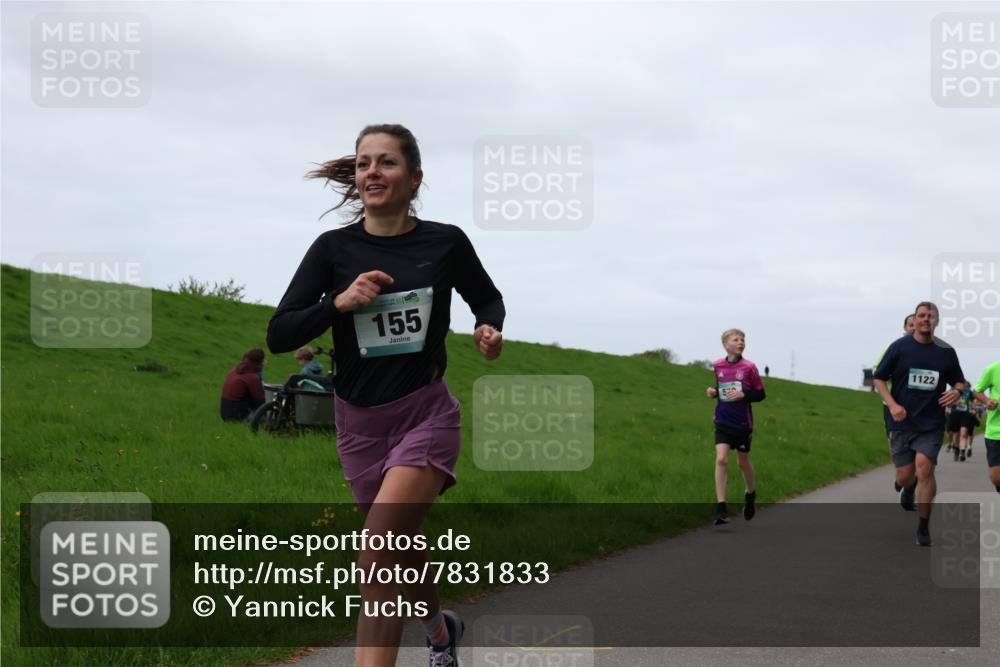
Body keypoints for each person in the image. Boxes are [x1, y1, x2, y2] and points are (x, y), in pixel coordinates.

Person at [267, 124, 504, 667]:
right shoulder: (333, 249)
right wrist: (339, 303)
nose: (372, 172)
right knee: (398, 544)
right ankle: (441, 632)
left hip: (425, 416)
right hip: (358, 427)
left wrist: (489, 330)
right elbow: (281, 334)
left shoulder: (445, 242)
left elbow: (487, 298)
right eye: (363, 163)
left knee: (376, 553)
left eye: (386, 162)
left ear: (415, 177)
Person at [873, 302, 964, 546]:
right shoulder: (900, 347)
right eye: (921, 315)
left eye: (930, 316)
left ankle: (923, 527)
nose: (925, 319)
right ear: (915, 319)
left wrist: (956, 392)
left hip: (931, 421)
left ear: (937, 321)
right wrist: (892, 405)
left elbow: (960, 381)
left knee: (925, 469)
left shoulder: (946, 352)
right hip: (901, 421)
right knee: (905, 476)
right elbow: (879, 378)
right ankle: (907, 487)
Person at [706, 328, 766, 525]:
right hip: (722, 420)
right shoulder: (717, 365)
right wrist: (714, 392)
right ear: (726, 345)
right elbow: (722, 388)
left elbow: (760, 394)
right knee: (721, 460)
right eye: (736, 339)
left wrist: (744, 395)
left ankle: (750, 495)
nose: (741, 342)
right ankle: (721, 508)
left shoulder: (750, 367)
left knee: (742, 463)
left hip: (742, 424)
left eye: (743, 339)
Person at [875, 313, 917, 482]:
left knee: (918, 444)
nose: (914, 328)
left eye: (916, 324)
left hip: (919, 404)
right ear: (905, 328)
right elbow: (877, 370)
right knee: (895, 445)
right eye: (910, 325)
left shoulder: (930, 350)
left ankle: (911, 475)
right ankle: (902, 476)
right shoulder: (894, 348)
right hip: (894, 404)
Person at [971, 360, 1000, 494]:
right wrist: (988, 401)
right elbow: (977, 391)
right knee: (996, 478)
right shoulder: (993, 369)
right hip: (996, 432)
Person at [219, 348, 266, 421]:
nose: (264, 363)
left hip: (224, 415)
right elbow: (260, 403)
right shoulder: (253, 377)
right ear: (258, 364)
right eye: (263, 361)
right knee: (268, 419)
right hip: (239, 417)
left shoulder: (233, 370)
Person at [946, 382, 974, 461]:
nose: (964, 384)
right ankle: (957, 448)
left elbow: (972, 401)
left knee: (964, 433)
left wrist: (974, 409)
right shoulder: (953, 390)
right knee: (956, 434)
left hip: (965, 414)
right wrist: (953, 403)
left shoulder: (969, 392)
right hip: (955, 414)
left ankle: (962, 452)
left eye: (964, 383)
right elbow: (947, 402)